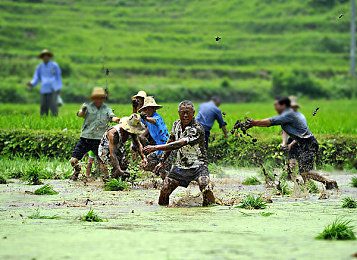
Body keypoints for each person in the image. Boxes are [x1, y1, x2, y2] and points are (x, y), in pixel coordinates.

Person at [247, 96, 338, 190]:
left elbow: (271, 121)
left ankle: (328, 182)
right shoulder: (286, 116)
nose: (275, 107)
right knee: (303, 171)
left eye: (276, 105)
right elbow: (279, 128)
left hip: (308, 143)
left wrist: (254, 123)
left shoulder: (290, 115)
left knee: (305, 172)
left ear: (284, 105)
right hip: (301, 143)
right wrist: (284, 143)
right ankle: (307, 189)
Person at [143, 100, 215, 206]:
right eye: (182, 112)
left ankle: (211, 208)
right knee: (165, 189)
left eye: (188, 112)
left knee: (205, 188)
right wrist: (162, 162)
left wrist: (155, 147)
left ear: (193, 113)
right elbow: (171, 141)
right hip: (181, 166)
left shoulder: (196, 129)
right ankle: (163, 214)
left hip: (198, 166)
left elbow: (178, 144)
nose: (185, 115)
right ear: (179, 113)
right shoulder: (176, 124)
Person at [70, 87, 120, 181]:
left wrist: (116, 119)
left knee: (103, 164)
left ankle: (107, 180)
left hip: (99, 140)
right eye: (96, 98)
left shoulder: (106, 109)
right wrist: (83, 110)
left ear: (103, 98)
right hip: (85, 138)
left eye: (100, 98)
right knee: (73, 160)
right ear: (93, 98)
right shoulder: (87, 107)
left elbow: (112, 117)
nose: (98, 100)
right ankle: (77, 171)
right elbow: (80, 114)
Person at [98, 113, 148, 180]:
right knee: (116, 169)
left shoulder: (131, 132)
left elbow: (138, 144)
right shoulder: (113, 134)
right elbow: (113, 154)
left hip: (118, 148)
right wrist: (119, 170)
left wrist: (143, 157)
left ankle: (118, 179)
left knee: (124, 164)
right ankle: (109, 180)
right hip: (106, 151)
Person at [138, 96, 173, 179]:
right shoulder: (145, 118)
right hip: (158, 148)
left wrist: (145, 117)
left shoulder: (157, 118)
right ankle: (158, 171)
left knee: (165, 172)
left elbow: (153, 121)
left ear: (154, 109)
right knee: (145, 165)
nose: (146, 111)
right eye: (145, 109)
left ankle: (168, 179)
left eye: (148, 109)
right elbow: (136, 121)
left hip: (167, 147)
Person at [27, 49, 62, 116]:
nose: (45, 57)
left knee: (53, 105)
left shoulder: (54, 66)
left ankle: (55, 120)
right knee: (43, 106)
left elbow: (58, 77)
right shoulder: (39, 67)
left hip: (53, 88)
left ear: (49, 57)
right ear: (42, 57)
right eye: (44, 56)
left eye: (47, 56)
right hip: (43, 89)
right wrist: (31, 83)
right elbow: (36, 77)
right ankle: (43, 121)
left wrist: (59, 87)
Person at [281, 96, 307, 174]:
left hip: (302, 140)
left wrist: (291, 144)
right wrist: (284, 143)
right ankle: (292, 179)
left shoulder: (300, 117)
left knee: (303, 165)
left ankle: (305, 180)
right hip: (292, 139)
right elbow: (285, 131)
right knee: (291, 162)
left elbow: (302, 133)